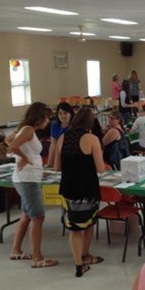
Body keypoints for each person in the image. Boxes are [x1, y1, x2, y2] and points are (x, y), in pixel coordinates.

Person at [6, 102, 58, 268]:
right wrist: (25, 157)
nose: (48, 122)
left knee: (27, 215)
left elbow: (8, 140)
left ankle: (16, 250)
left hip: (26, 178)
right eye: (47, 118)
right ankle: (37, 257)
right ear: (40, 117)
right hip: (27, 179)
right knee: (38, 217)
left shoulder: (26, 130)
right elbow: (12, 146)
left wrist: (22, 155)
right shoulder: (27, 130)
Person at [55, 108, 105, 277]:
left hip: (68, 188)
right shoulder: (92, 139)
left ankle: (78, 265)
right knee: (89, 223)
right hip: (87, 188)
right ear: (91, 122)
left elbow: (56, 167)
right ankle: (85, 255)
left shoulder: (62, 138)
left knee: (73, 228)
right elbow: (101, 169)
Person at [45, 102, 74, 168]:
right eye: (60, 113)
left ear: (71, 114)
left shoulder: (74, 126)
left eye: (65, 113)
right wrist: (50, 163)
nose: (62, 116)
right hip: (59, 154)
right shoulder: (54, 125)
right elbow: (53, 145)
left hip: (72, 155)